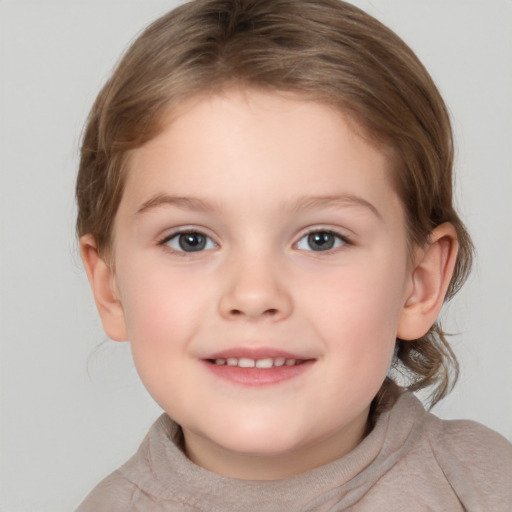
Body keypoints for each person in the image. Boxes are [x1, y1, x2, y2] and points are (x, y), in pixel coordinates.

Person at [75, 0, 512, 510]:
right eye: (190, 240)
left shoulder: (486, 487)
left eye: (321, 239)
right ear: (111, 288)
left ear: (419, 283)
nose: (255, 295)